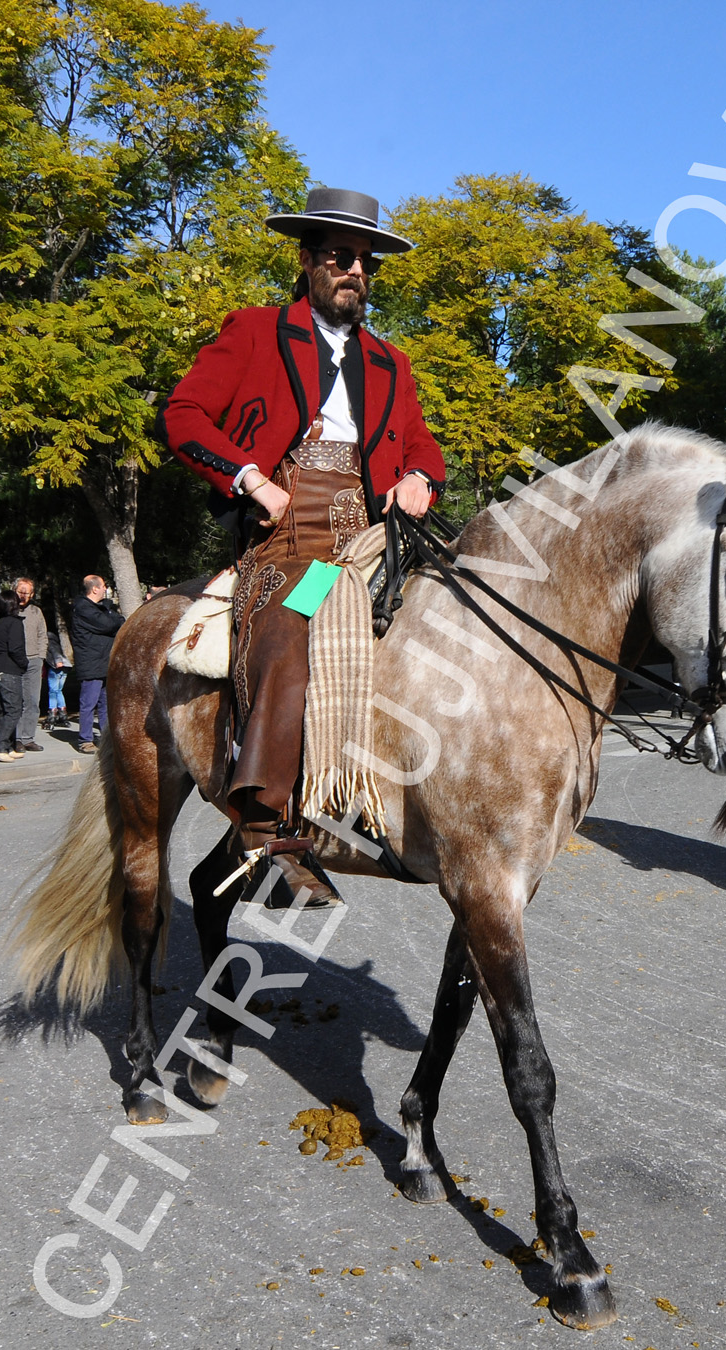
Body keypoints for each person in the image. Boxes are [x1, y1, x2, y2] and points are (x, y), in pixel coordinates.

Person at [156, 186, 446, 897]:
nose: (356, 272)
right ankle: (268, 821)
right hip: (295, 538)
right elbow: (183, 415)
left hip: (375, 536)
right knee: (297, 619)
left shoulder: (391, 362)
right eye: (342, 257)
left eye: (365, 261)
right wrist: (251, 479)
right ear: (309, 261)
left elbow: (423, 449)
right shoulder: (254, 331)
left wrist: (419, 482)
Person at [70, 575, 125, 753]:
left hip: (104, 661)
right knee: (88, 703)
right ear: (94, 589)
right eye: (103, 587)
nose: (105, 590)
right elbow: (107, 625)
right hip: (91, 663)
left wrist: (110, 614)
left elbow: (120, 621)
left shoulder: (100, 607)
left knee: (105, 703)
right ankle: (85, 740)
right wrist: (110, 615)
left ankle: (106, 737)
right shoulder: (83, 608)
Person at [0, 590, 28, 762]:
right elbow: (15, 649)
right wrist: (24, 663)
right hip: (9, 669)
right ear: (14, 605)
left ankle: (8, 745)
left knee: (6, 709)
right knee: (14, 709)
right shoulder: (15, 623)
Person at [14, 576, 48, 751]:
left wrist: (41, 657)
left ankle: (28, 738)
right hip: (12, 663)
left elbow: (43, 635)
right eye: (20, 592)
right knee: (16, 702)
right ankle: (16, 738)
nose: (23, 596)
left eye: (27, 593)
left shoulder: (36, 612)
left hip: (33, 661)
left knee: (33, 701)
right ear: (15, 591)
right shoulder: (6, 609)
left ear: (32, 594)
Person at [44, 630, 73, 730]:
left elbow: (55, 652)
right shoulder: (57, 642)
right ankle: (63, 713)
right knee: (59, 691)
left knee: (52, 691)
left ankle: (52, 713)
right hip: (66, 668)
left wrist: (58, 661)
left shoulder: (49, 642)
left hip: (57, 667)